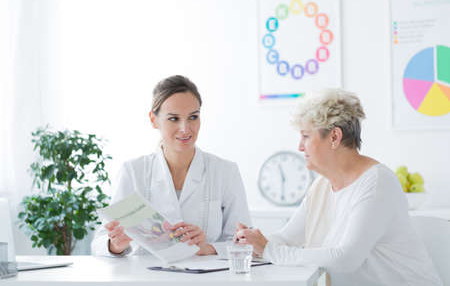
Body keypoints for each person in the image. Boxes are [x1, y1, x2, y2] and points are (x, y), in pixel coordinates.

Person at [234, 89, 442, 286]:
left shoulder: (377, 182)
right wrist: (254, 241)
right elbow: (288, 238)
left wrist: (270, 250)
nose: (299, 146)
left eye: (306, 136)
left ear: (334, 137)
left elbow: (346, 258)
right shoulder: (322, 185)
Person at [92, 75, 251, 257]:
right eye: (174, 119)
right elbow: (100, 242)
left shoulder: (225, 172)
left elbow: (245, 240)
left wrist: (208, 248)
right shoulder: (133, 171)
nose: (185, 128)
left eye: (193, 117)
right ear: (154, 120)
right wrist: (115, 245)